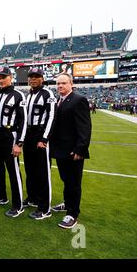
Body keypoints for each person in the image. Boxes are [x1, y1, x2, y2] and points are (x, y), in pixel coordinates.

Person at [50, 74, 91, 229]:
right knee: (66, 180)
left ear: (71, 84)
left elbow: (84, 127)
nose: (60, 86)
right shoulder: (59, 100)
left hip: (73, 151)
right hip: (61, 150)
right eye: (58, 83)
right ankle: (67, 204)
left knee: (74, 182)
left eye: (63, 83)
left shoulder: (78, 99)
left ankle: (73, 213)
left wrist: (80, 149)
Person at [0, 66, 27, 217]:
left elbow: (23, 121)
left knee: (13, 171)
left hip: (10, 136)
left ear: (11, 77)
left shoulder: (18, 95)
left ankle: (18, 205)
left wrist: (19, 143)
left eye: (4, 77)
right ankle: (0, 197)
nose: (1, 80)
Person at [23, 67, 56, 220]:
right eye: (31, 76)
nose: (33, 79)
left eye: (36, 76)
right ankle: (32, 198)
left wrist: (44, 138)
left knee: (42, 172)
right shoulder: (28, 94)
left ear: (42, 78)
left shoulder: (47, 93)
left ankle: (45, 208)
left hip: (40, 134)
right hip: (29, 135)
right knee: (30, 170)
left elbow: (51, 117)